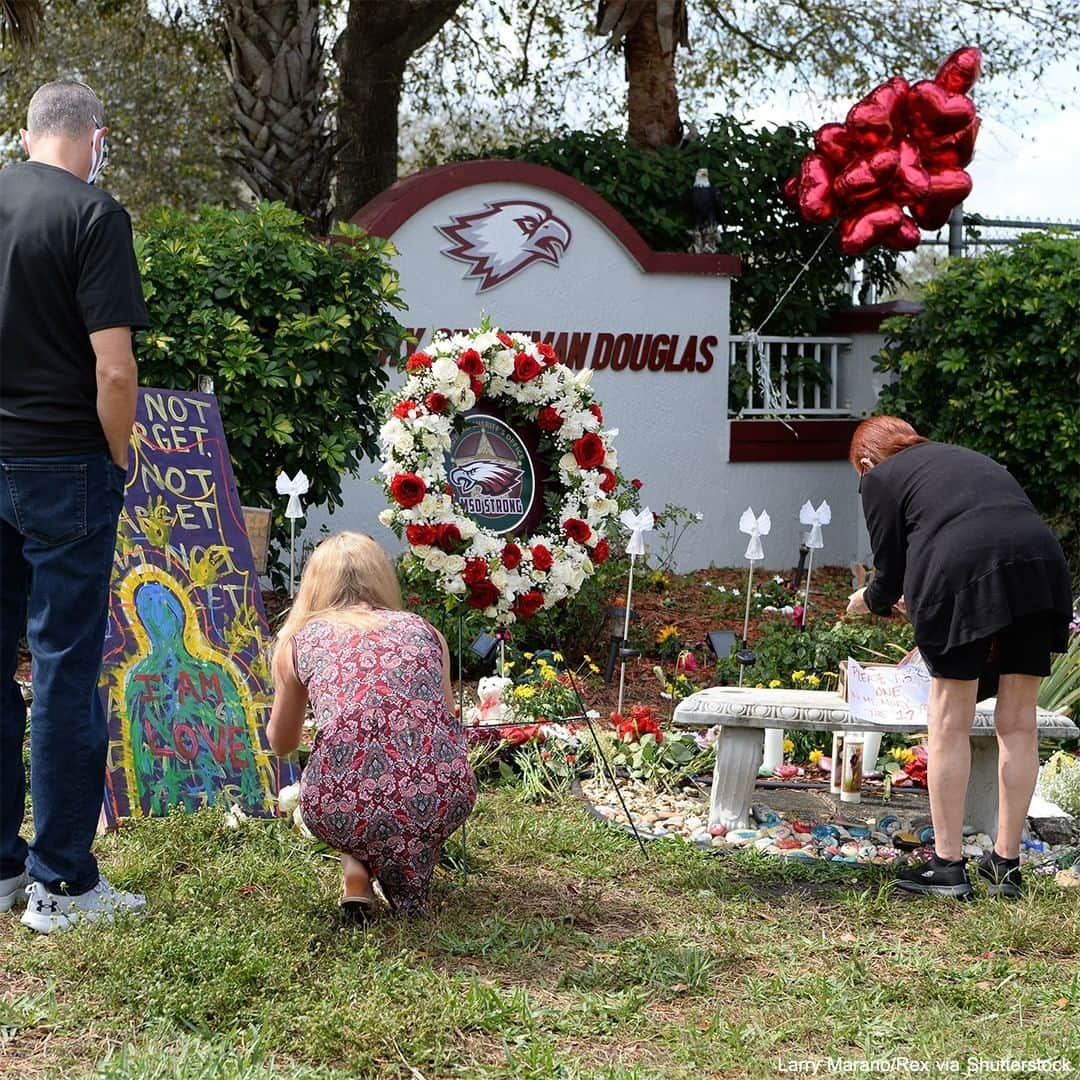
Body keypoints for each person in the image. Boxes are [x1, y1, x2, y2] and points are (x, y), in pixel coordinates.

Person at [0, 81, 149, 932]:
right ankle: (61, 883)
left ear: (26, 135)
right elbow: (116, 372)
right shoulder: (94, 216)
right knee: (63, 666)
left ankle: (1, 868)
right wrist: (116, 459)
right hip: (62, 464)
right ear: (94, 137)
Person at [846, 416, 1071, 899]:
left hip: (965, 570)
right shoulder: (963, 459)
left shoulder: (879, 478)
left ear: (865, 463)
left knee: (949, 720)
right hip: (1040, 564)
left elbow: (889, 572)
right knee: (1018, 722)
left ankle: (948, 867)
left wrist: (868, 599)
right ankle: (1004, 866)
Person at [267, 532, 476, 918]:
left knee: (346, 779)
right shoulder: (423, 630)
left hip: (345, 806)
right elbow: (446, 720)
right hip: (442, 795)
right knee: (392, 796)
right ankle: (381, 877)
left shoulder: (299, 643)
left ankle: (356, 868)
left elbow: (281, 743)